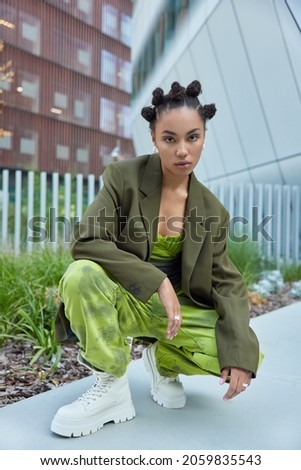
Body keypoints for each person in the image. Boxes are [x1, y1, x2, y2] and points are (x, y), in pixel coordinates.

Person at [51, 80, 262, 438]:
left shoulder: (213, 210)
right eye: (170, 139)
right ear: (154, 138)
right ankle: (112, 384)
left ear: (204, 138)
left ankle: (162, 360)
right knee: (80, 274)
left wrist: (239, 354)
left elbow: (227, 281)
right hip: (125, 299)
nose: (183, 150)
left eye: (192, 137)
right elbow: (87, 240)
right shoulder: (124, 178)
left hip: (174, 316)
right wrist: (157, 281)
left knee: (241, 355)